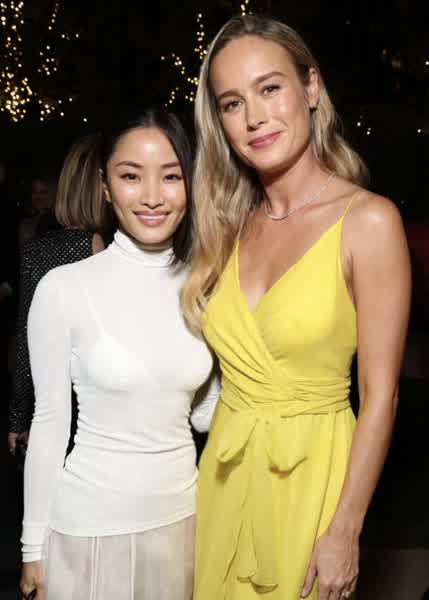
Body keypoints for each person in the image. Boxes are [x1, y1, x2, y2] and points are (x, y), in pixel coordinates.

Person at [182, 15, 411, 600]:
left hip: (314, 482)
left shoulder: (369, 221)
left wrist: (346, 527)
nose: (254, 117)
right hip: (223, 478)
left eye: (270, 88)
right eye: (232, 103)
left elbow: (381, 395)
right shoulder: (225, 227)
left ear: (311, 88)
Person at [19, 109, 218, 600]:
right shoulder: (63, 288)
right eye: (131, 176)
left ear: (191, 184)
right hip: (89, 532)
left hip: (185, 525)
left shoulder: (205, 288)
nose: (152, 196)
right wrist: (32, 548)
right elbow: (49, 424)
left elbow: (205, 415)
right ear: (105, 186)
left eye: (171, 176)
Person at [8, 136, 107, 454]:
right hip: (93, 407)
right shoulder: (102, 247)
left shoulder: (36, 249)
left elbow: (26, 337)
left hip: (51, 403)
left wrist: (17, 417)